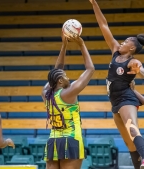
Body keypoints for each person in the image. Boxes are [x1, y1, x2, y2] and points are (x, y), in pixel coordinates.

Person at [89, 0, 144, 169]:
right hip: (114, 102)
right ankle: (139, 166)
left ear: (132, 49)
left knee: (132, 127)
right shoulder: (115, 50)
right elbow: (104, 25)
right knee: (128, 143)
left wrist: (140, 71)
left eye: (126, 42)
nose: (122, 43)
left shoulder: (133, 61)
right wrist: (94, 4)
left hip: (126, 98)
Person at [41, 33, 95, 169]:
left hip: (53, 140)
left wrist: (64, 45)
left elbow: (57, 70)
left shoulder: (45, 93)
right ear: (59, 80)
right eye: (65, 76)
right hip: (71, 140)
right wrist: (82, 44)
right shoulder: (68, 93)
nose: (68, 77)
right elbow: (90, 69)